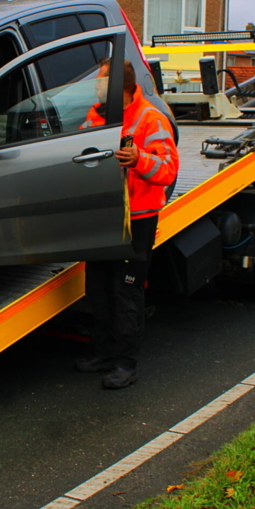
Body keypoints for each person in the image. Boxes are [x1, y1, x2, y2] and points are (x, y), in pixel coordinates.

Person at [77, 59, 179, 389]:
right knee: (98, 290)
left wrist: (139, 160)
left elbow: (168, 170)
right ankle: (105, 353)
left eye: (100, 82)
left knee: (126, 293)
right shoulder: (95, 116)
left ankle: (125, 363)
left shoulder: (150, 118)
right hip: (103, 218)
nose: (94, 87)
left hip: (137, 220)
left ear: (119, 86)